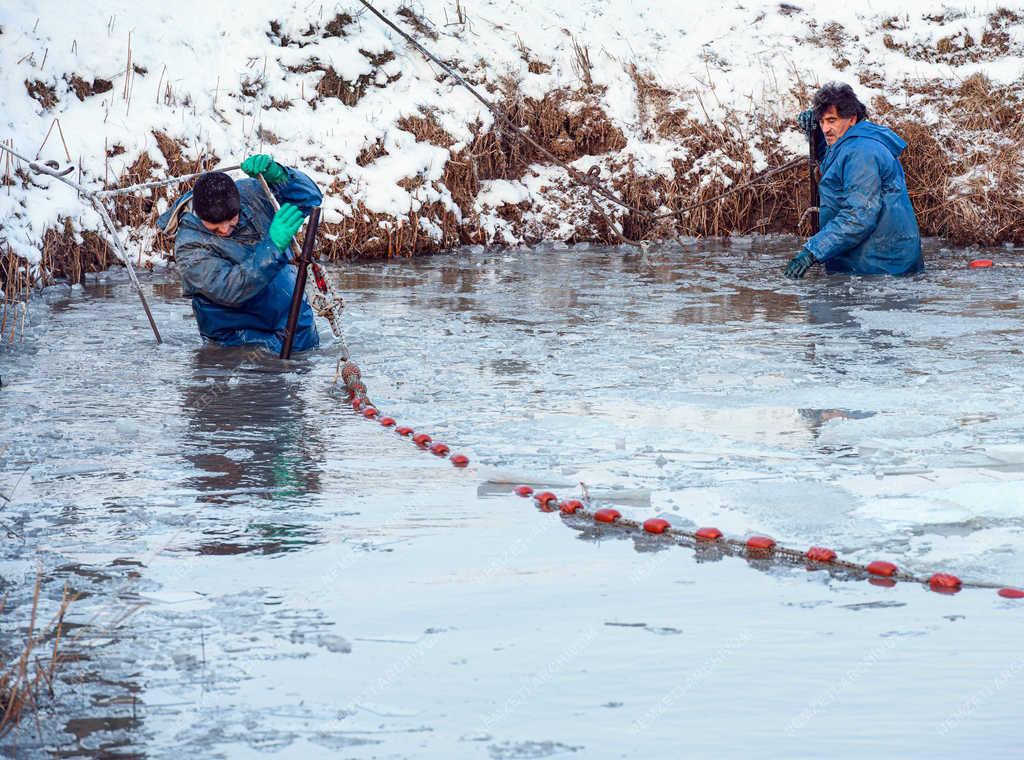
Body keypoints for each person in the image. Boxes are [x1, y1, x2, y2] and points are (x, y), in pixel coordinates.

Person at [157, 154, 323, 353]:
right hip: (239, 342)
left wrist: (278, 175)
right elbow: (232, 289)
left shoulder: (252, 193)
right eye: (215, 227)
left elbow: (311, 197)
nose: (225, 229)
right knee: (251, 380)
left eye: (231, 220)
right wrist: (273, 247)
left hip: (296, 326)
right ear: (199, 215)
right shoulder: (189, 247)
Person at [785, 83, 923, 279]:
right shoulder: (852, 142)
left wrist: (813, 251)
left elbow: (859, 216)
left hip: (880, 270)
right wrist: (814, 133)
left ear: (852, 119)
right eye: (821, 121)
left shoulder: (861, 153)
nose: (826, 129)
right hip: (872, 261)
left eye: (831, 120)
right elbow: (835, 167)